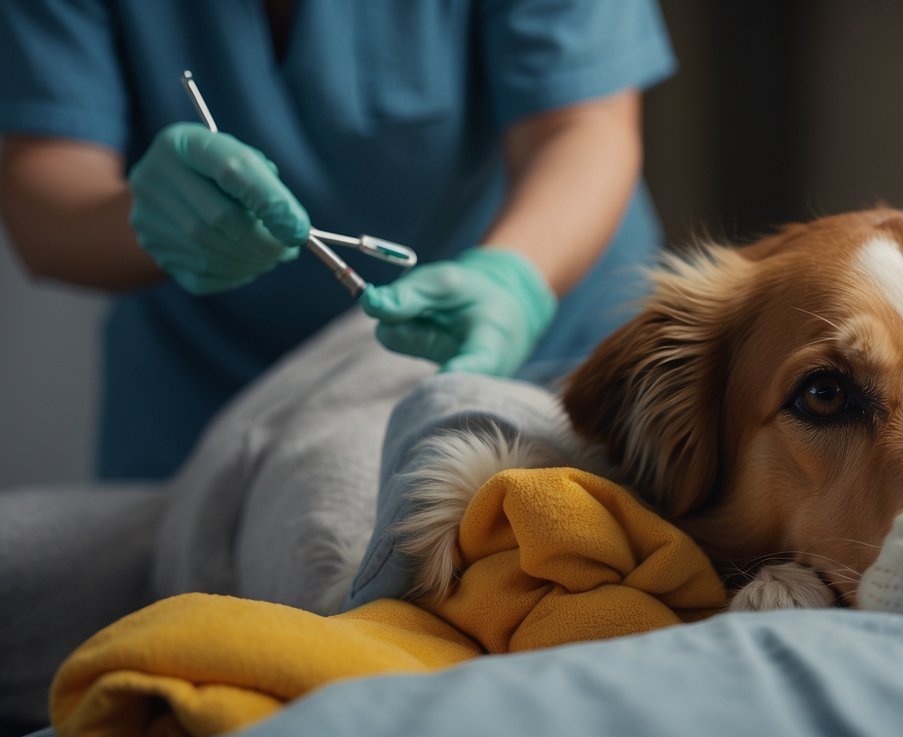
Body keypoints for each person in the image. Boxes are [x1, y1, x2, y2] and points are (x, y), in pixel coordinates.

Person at [0, 1, 674, 480]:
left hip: (544, 359)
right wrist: (145, 217)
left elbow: (584, 126)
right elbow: (40, 198)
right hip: (209, 401)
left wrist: (513, 278)